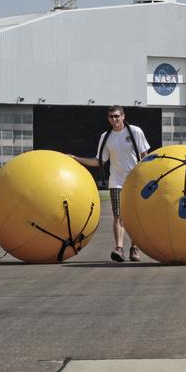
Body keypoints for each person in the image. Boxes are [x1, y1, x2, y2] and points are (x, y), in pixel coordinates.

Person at [72, 105, 151, 262]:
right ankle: (119, 248)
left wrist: (145, 177)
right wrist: (77, 159)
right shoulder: (105, 137)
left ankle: (134, 248)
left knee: (135, 216)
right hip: (116, 181)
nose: (114, 120)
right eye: (111, 117)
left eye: (116, 116)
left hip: (135, 180)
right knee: (118, 215)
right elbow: (100, 160)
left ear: (123, 116)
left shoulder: (135, 131)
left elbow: (145, 156)